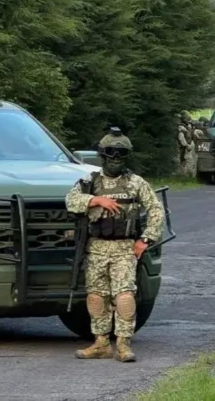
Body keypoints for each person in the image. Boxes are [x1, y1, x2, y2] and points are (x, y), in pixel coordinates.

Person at [64, 128, 165, 362]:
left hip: (124, 250)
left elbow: (156, 210)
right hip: (96, 248)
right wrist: (95, 200)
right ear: (102, 155)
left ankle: (123, 344)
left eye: (121, 153)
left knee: (124, 297)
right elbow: (70, 200)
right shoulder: (90, 182)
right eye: (111, 152)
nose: (116, 158)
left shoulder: (135, 183)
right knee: (96, 297)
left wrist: (145, 240)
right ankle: (101, 343)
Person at [176, 111, 195, 176]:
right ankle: (182, 173)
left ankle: (187, 173)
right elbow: (181, 138)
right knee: (182, 160)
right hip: (183, 147)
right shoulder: (181, 127)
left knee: (187, 160)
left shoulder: (189, 126)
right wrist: (186, 145)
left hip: (188, 145)